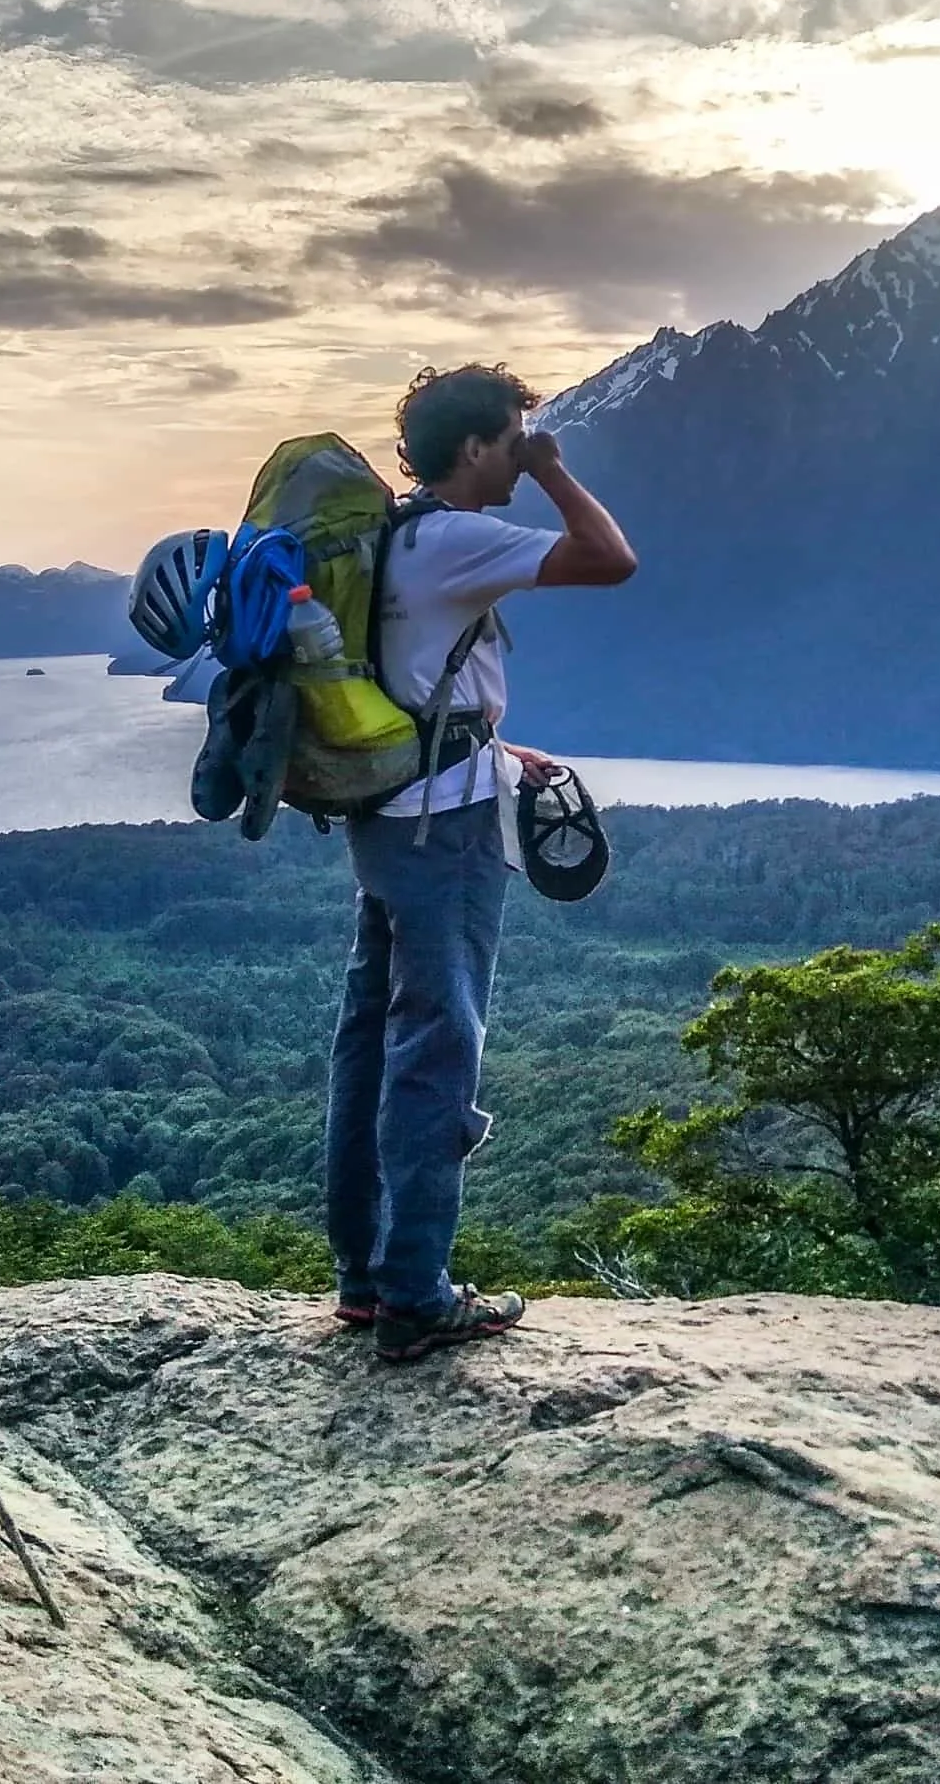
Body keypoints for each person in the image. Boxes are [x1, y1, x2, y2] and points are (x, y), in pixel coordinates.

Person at [328, 364, 637, 1364]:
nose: (521, 450)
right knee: (436, 1052)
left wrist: (502, 750)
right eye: (512, 436)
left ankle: (367, 1281)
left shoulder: (392, 536)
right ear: (475, 448)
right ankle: (419, 1290)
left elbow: (415, 681)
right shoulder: (458, 537)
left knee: (371, 1042)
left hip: (384, 814)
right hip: (445, 837)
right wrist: (553, 468)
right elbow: (610, 558)